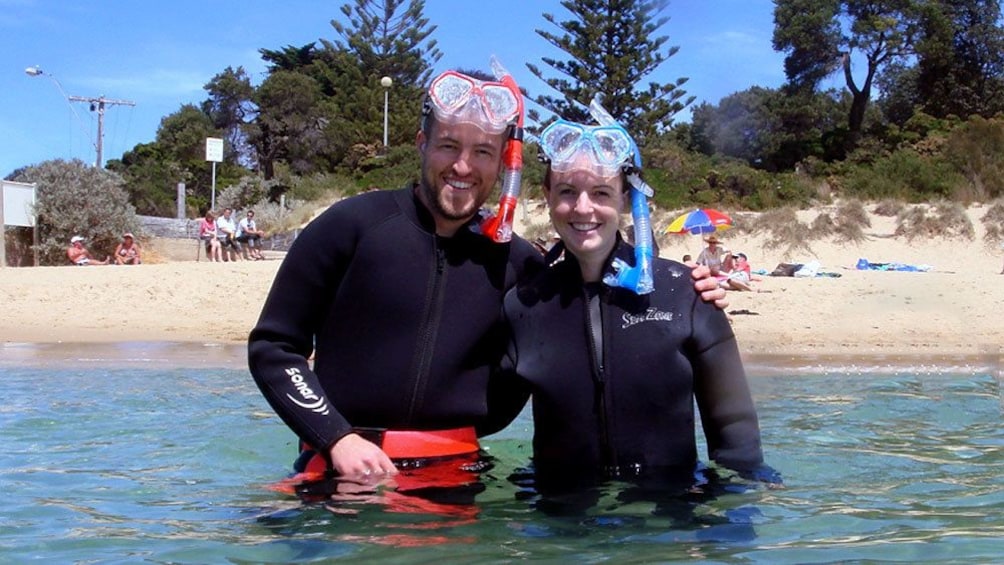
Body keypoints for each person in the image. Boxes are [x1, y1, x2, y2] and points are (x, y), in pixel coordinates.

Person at [247, 64, 727, 496]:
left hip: (454, 479)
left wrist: (686, 286)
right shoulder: (351, 226)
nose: (463, 166)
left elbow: (575, 332)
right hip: (339, 474)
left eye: (482, 152)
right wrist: (336, 436)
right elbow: (274, 347)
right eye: (449, 146)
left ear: (503, 163)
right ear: (422, 143)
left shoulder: (518, 264)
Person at [481, 113, 777, 495]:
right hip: (560, 522)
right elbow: (481, 414)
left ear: (625, 197)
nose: (583, 208)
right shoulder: (525, 306)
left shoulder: (686, 294)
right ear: (548, 195)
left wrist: (730, 532)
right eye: (567, 191)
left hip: (666, 514)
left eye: (601, 193)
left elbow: (737, 437)